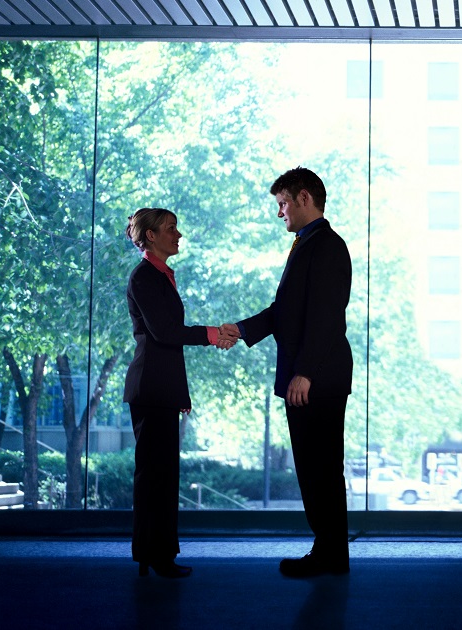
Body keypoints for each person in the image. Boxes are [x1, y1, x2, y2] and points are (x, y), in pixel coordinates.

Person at [221, 167, 353, 578]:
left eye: (282, 203)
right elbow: (287, 311)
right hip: (311, 376)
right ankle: (329, 552)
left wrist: (306, 374)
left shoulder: (326, 246)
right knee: (314, 468)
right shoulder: (307, 245)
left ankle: (330, 554)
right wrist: (242, 330)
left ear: (303, 198)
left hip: (317, 379)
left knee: (322, 468)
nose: (279, 213)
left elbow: (326, 317)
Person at [124, 207, 237, 578]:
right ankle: (152, 555)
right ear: (151, 236)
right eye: (171, 229)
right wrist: (212, 334)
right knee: (154, 476)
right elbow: (166, 334)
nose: (179, 234)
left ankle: (158, 555)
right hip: (150, 388)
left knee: (163, 474)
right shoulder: (144, 277)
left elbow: (166, 342)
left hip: (160, 388)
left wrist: (180, 392)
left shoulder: (160, 276)